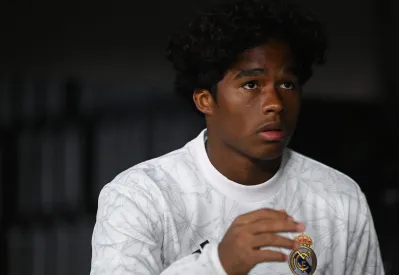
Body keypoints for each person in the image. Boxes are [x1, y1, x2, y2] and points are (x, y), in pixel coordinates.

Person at [90, 0, 384, 274]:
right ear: (205, 100)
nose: (275, 103)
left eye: (287, 84)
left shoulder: (340, 200)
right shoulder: (141, 196)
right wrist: (218, 263)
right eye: (252, 84)